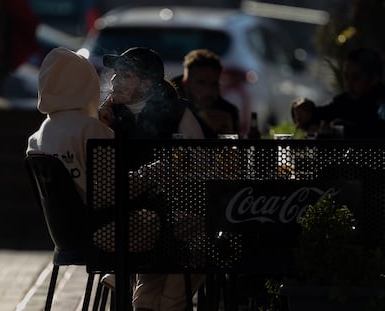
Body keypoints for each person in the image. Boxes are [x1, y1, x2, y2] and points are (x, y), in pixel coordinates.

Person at [98, 47, 205, 311]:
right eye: (115, 75)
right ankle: (168, 305)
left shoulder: (176, 111)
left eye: (125, 75)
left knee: (190, 232)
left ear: (146, 84)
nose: (113, 81)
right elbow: (100, 178)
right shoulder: (109, 117)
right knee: (195, 237)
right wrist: (102, 126)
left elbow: (201, 159)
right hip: (126, 220)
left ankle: (149, 302)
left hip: (164, 213)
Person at [26, 47, 114, 203]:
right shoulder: (91, 129)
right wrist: (151, 173)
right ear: (88, 84)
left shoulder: (36, 138)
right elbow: (112, 189)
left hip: (64, 224)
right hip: (100, 222)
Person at [292, 47, 385, 139]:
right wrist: (304, 109)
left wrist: (339, 130)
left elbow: (375, 131)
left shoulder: (381, 104)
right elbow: (320, 115)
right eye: (346, 77)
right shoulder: (345, 101)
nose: (349, 83)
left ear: (374, 79)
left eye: (356, 78)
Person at [172, 49, 240, 138]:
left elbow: (230, 150)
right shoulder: (168, 106)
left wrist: (227, 132)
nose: (208, 91)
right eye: (201, 83)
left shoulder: (227, 112)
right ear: (186, 83)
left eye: (214, 84)